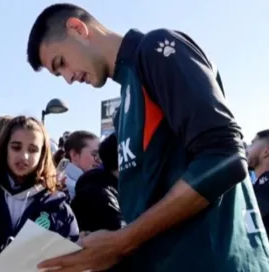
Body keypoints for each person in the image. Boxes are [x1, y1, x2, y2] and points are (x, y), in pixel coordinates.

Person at [27, 3, 269, 272]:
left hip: (218, 261)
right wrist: (100, 246)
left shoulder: (157, 49)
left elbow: (225, 157)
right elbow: (150, 208)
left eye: (61, 63)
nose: (69, 79)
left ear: (77, 28)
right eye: (59, 75)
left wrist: (123, 241)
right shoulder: (123, 112)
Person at [0, 116, 79, 262]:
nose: (24, 156)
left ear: (43, 154)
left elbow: (73, 260)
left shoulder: (57, 206)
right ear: (4, 148)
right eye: (16, 147)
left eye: (33, 150)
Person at [247, 129, 269, 231]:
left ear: (266, 151)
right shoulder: (261, 185)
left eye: (252, 143)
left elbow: (250, 226)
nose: (247, 148)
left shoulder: (265, 187)